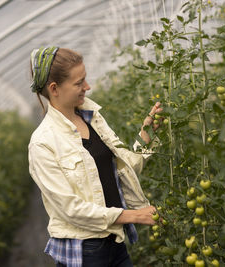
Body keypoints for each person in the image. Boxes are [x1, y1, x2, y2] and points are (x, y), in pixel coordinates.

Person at [28, 46, 163, 267]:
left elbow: (125, 167)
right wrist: (133, 216)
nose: (87, 87)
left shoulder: (93, 118)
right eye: (79, 83)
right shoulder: (43, 143)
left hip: (115, 242)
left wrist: (148, 135)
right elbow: (71, 209)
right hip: (85, 252)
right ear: (55, 88)